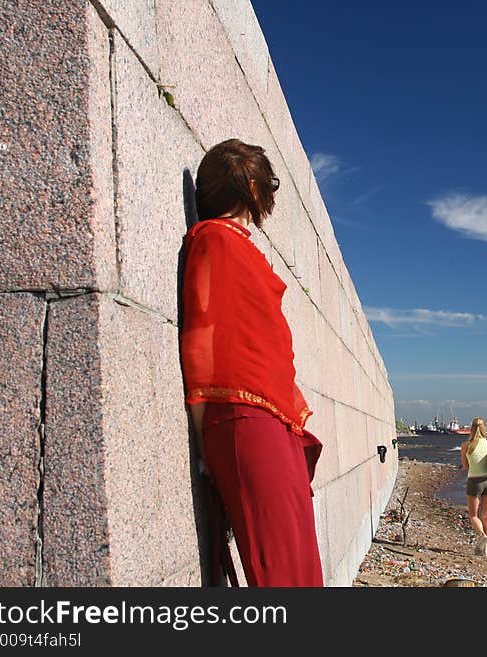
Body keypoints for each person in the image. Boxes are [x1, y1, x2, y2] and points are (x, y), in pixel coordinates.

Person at [180, 138, 324, 587]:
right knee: (279, 568)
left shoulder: (233, 244)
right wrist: (206, 441)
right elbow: (201, 341)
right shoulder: (214, 241)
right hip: (245, 418)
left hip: (269, 417)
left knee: (298, 560)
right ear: (256, 192)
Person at [460, 417, 487, 557]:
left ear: (471, 428)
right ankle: (485, 551)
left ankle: (481, 536)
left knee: (474, 515)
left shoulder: (465, 445)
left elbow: (465, 466)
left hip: (474, 481)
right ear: (484, 428)